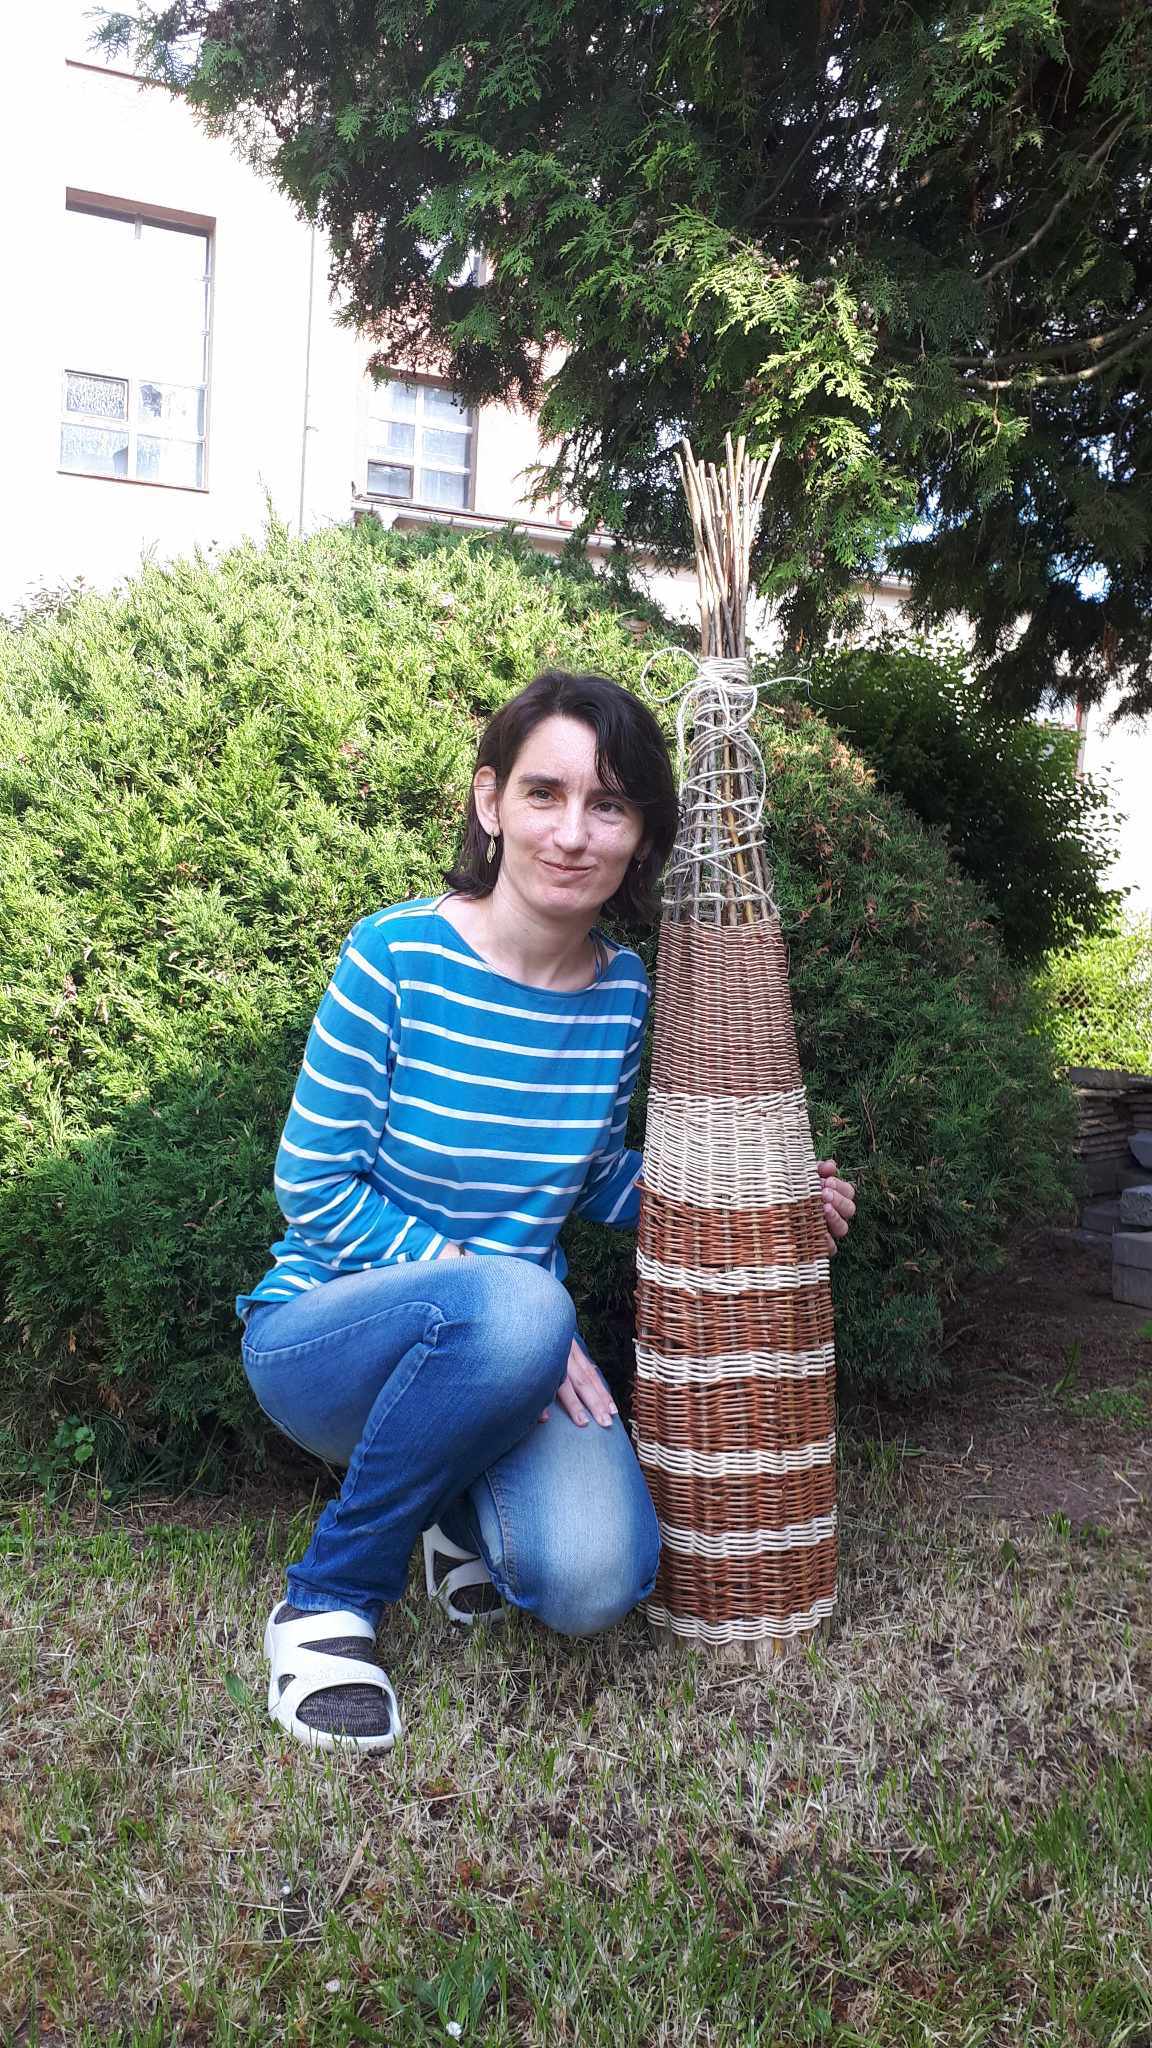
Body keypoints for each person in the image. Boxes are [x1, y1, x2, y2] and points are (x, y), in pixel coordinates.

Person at [237, 669, 857, 1752]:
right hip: (328, 1337)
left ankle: (452, 1508)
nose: (573, 833)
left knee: (594, 1580)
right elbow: (314, 1185)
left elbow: (598, 1175)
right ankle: (328, 1601)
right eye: (544, 793)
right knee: (520, 1308)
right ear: (491, 802)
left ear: (641, 835)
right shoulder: (393, 957)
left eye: (608, 805)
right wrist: (506, 1309)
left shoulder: (622, 992)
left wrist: (758, 1194)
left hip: (521, 1356)